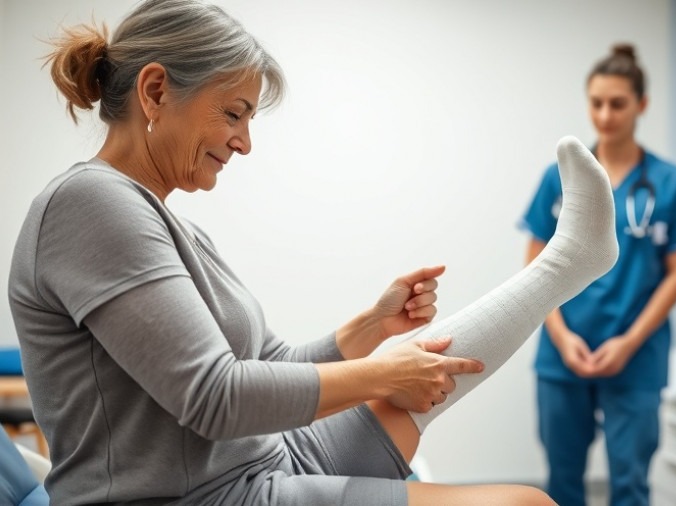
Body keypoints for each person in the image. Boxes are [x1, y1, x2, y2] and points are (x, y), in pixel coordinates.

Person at [7, 1, 621, 504]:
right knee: (526, 504)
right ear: (156, 89)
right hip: (198, 497)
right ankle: (569, 262)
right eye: (234, 113)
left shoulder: (170, 224)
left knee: (405, 363)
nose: (245, 142)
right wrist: (382, 371)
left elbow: (270, 360)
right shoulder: (88, 204)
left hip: (259, 459)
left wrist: (372, 328)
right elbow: (215, 398)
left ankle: (569, 262)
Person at [520, 44, 676, 506]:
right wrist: (563, 339)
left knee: (629, 486)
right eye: (596, 103)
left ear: (642, 105)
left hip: (636, 355)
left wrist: (628, 343)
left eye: (618, 103)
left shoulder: (671, 183)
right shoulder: (559, 178)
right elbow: (534, 267)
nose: (605, 115)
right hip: (563, 353)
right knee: (562, 484)